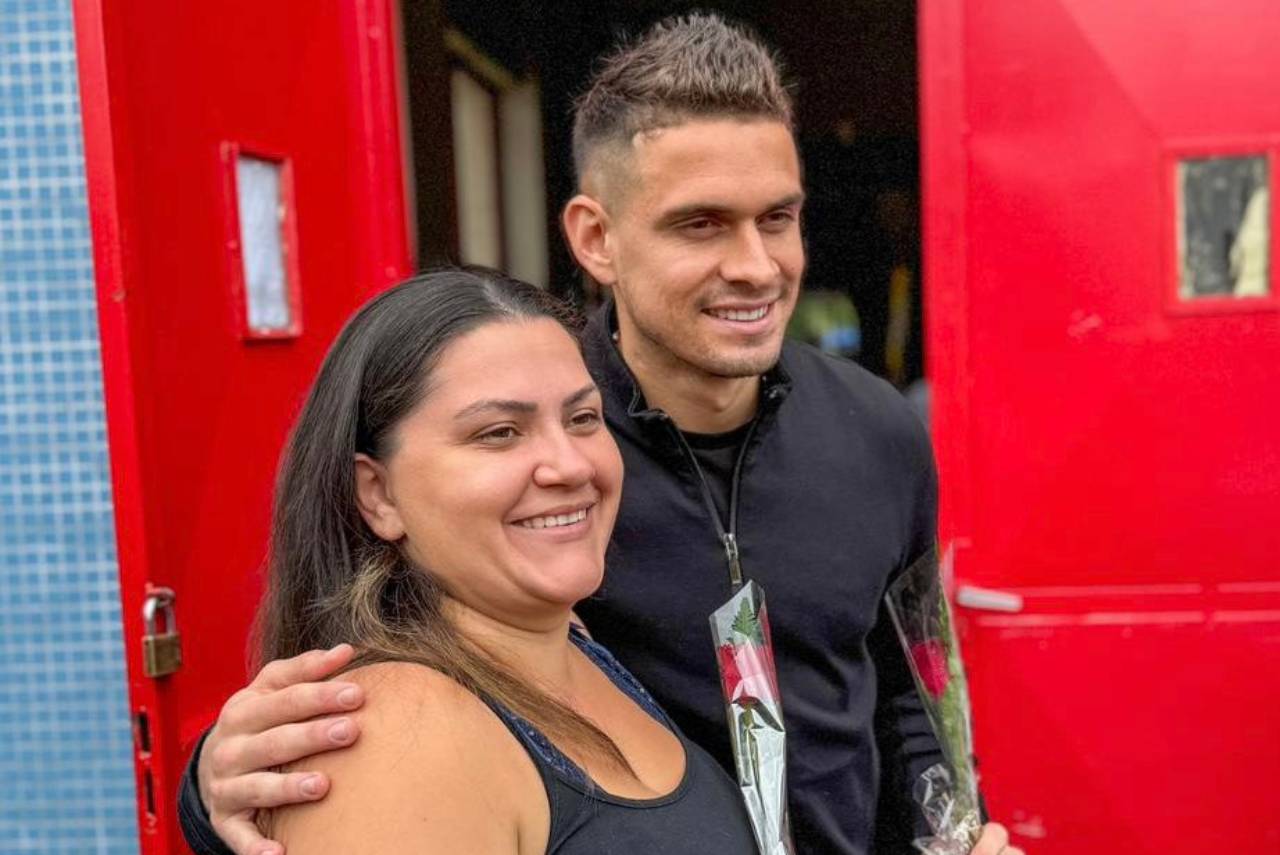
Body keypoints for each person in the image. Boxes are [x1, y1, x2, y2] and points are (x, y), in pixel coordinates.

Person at [180, 15, 1021, 855]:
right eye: (701, 224)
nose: (757, 265)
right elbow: (357, 710)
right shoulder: (545, 468)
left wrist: (949, 832)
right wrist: (212, 782)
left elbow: (911, 674)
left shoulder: (878, 431)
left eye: (777, 218)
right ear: (595, 237)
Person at [213, 267, 759, 853]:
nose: (571, 466)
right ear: (379, 495)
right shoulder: (398, 739)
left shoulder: (570, 645)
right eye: (499, 433)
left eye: (582, 419)